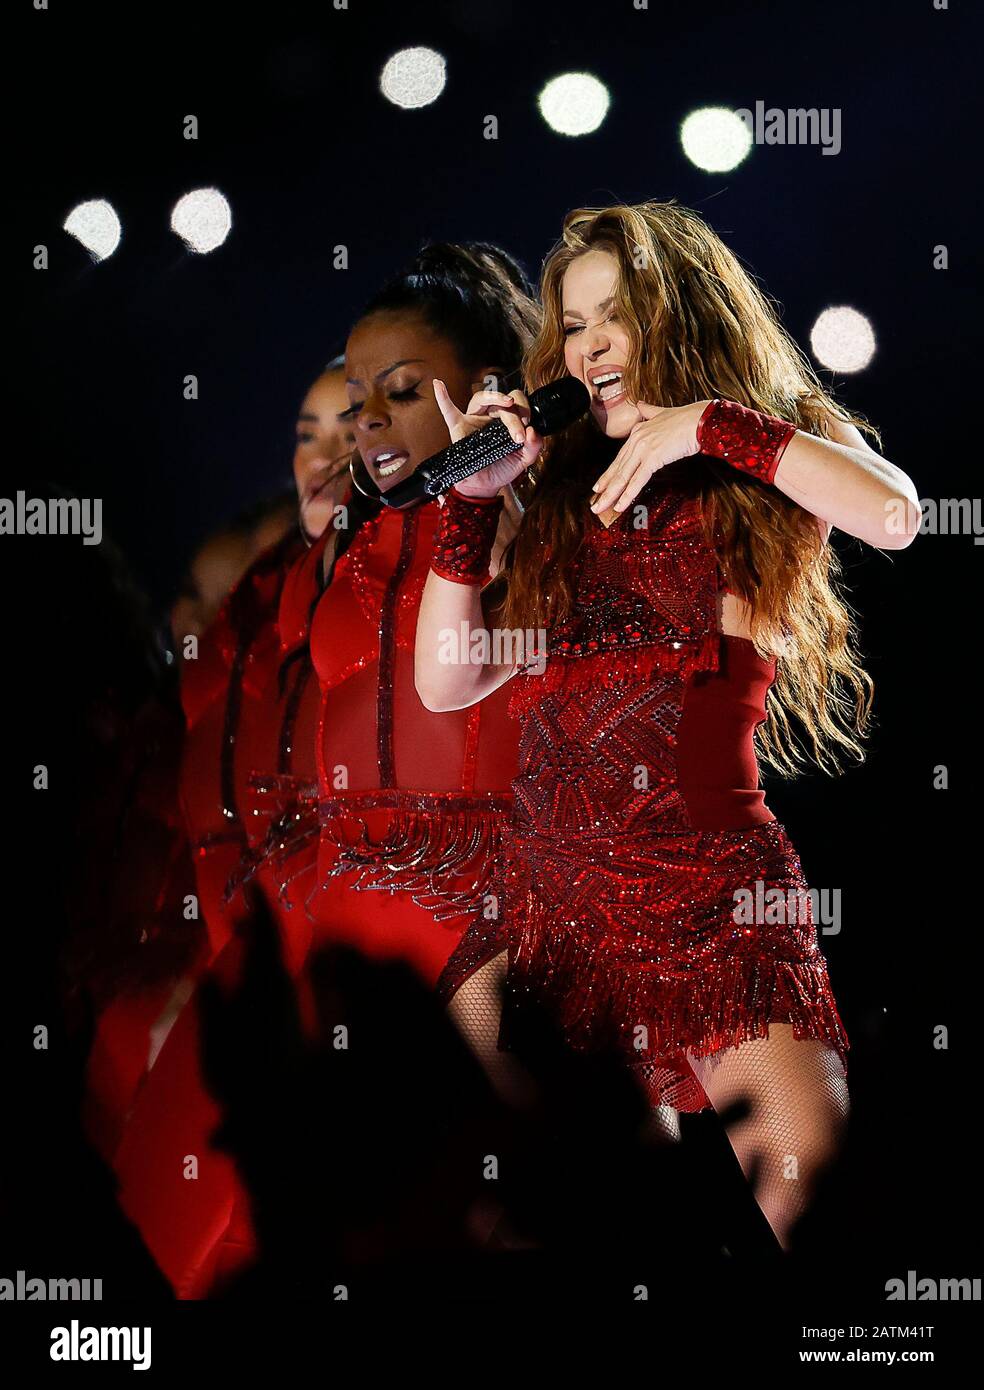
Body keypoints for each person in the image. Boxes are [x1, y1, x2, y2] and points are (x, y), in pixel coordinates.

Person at [414, 201, 922, 1250]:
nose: (590, 344)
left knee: (816, 1213)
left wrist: (707, 423)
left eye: (616, 316)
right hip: (549, 906)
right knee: (512, 1216)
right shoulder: (556, 490)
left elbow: (896, 516)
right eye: (574, 323)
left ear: (678, 316)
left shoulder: (760, 460)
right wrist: (472, 506)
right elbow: (446, 680)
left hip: (713, 902)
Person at [106, 356, 365, 1298]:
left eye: (360, 424)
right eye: (307, 436)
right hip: (224, 990)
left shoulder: (414, 601)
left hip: (334, 1002)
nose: (326, 457)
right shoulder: (269, 597)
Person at [269, 243, 541, 1003]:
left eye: (403, 392)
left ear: (485, 388)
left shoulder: (533, 521)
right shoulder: (347, 547)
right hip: (349, 905)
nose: (371, 420)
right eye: (361, 401)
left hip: (482, 903)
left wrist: (492, 470)